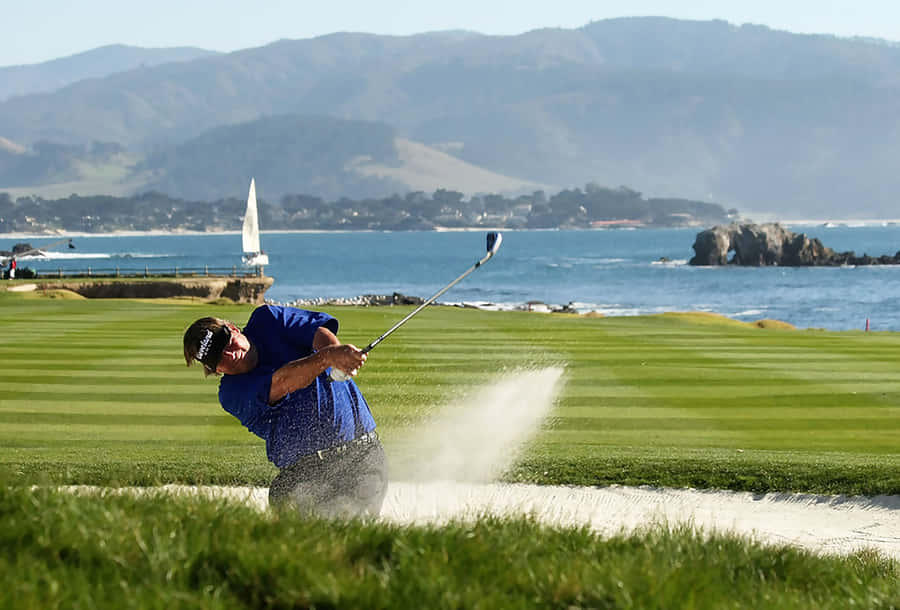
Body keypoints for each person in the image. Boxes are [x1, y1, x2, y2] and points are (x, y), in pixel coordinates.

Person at [183, 304, 388, 518]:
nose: (229, 354)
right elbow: (283, 382)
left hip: (362, 457)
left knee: (352, 526)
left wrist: (339, 356)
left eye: (225, 342)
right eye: (217, 357)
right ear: (215, 370)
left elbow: (318, 334)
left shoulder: (267, 319)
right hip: (302, 475)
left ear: (234, 329)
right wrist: (328, 357)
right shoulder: (232, 394)